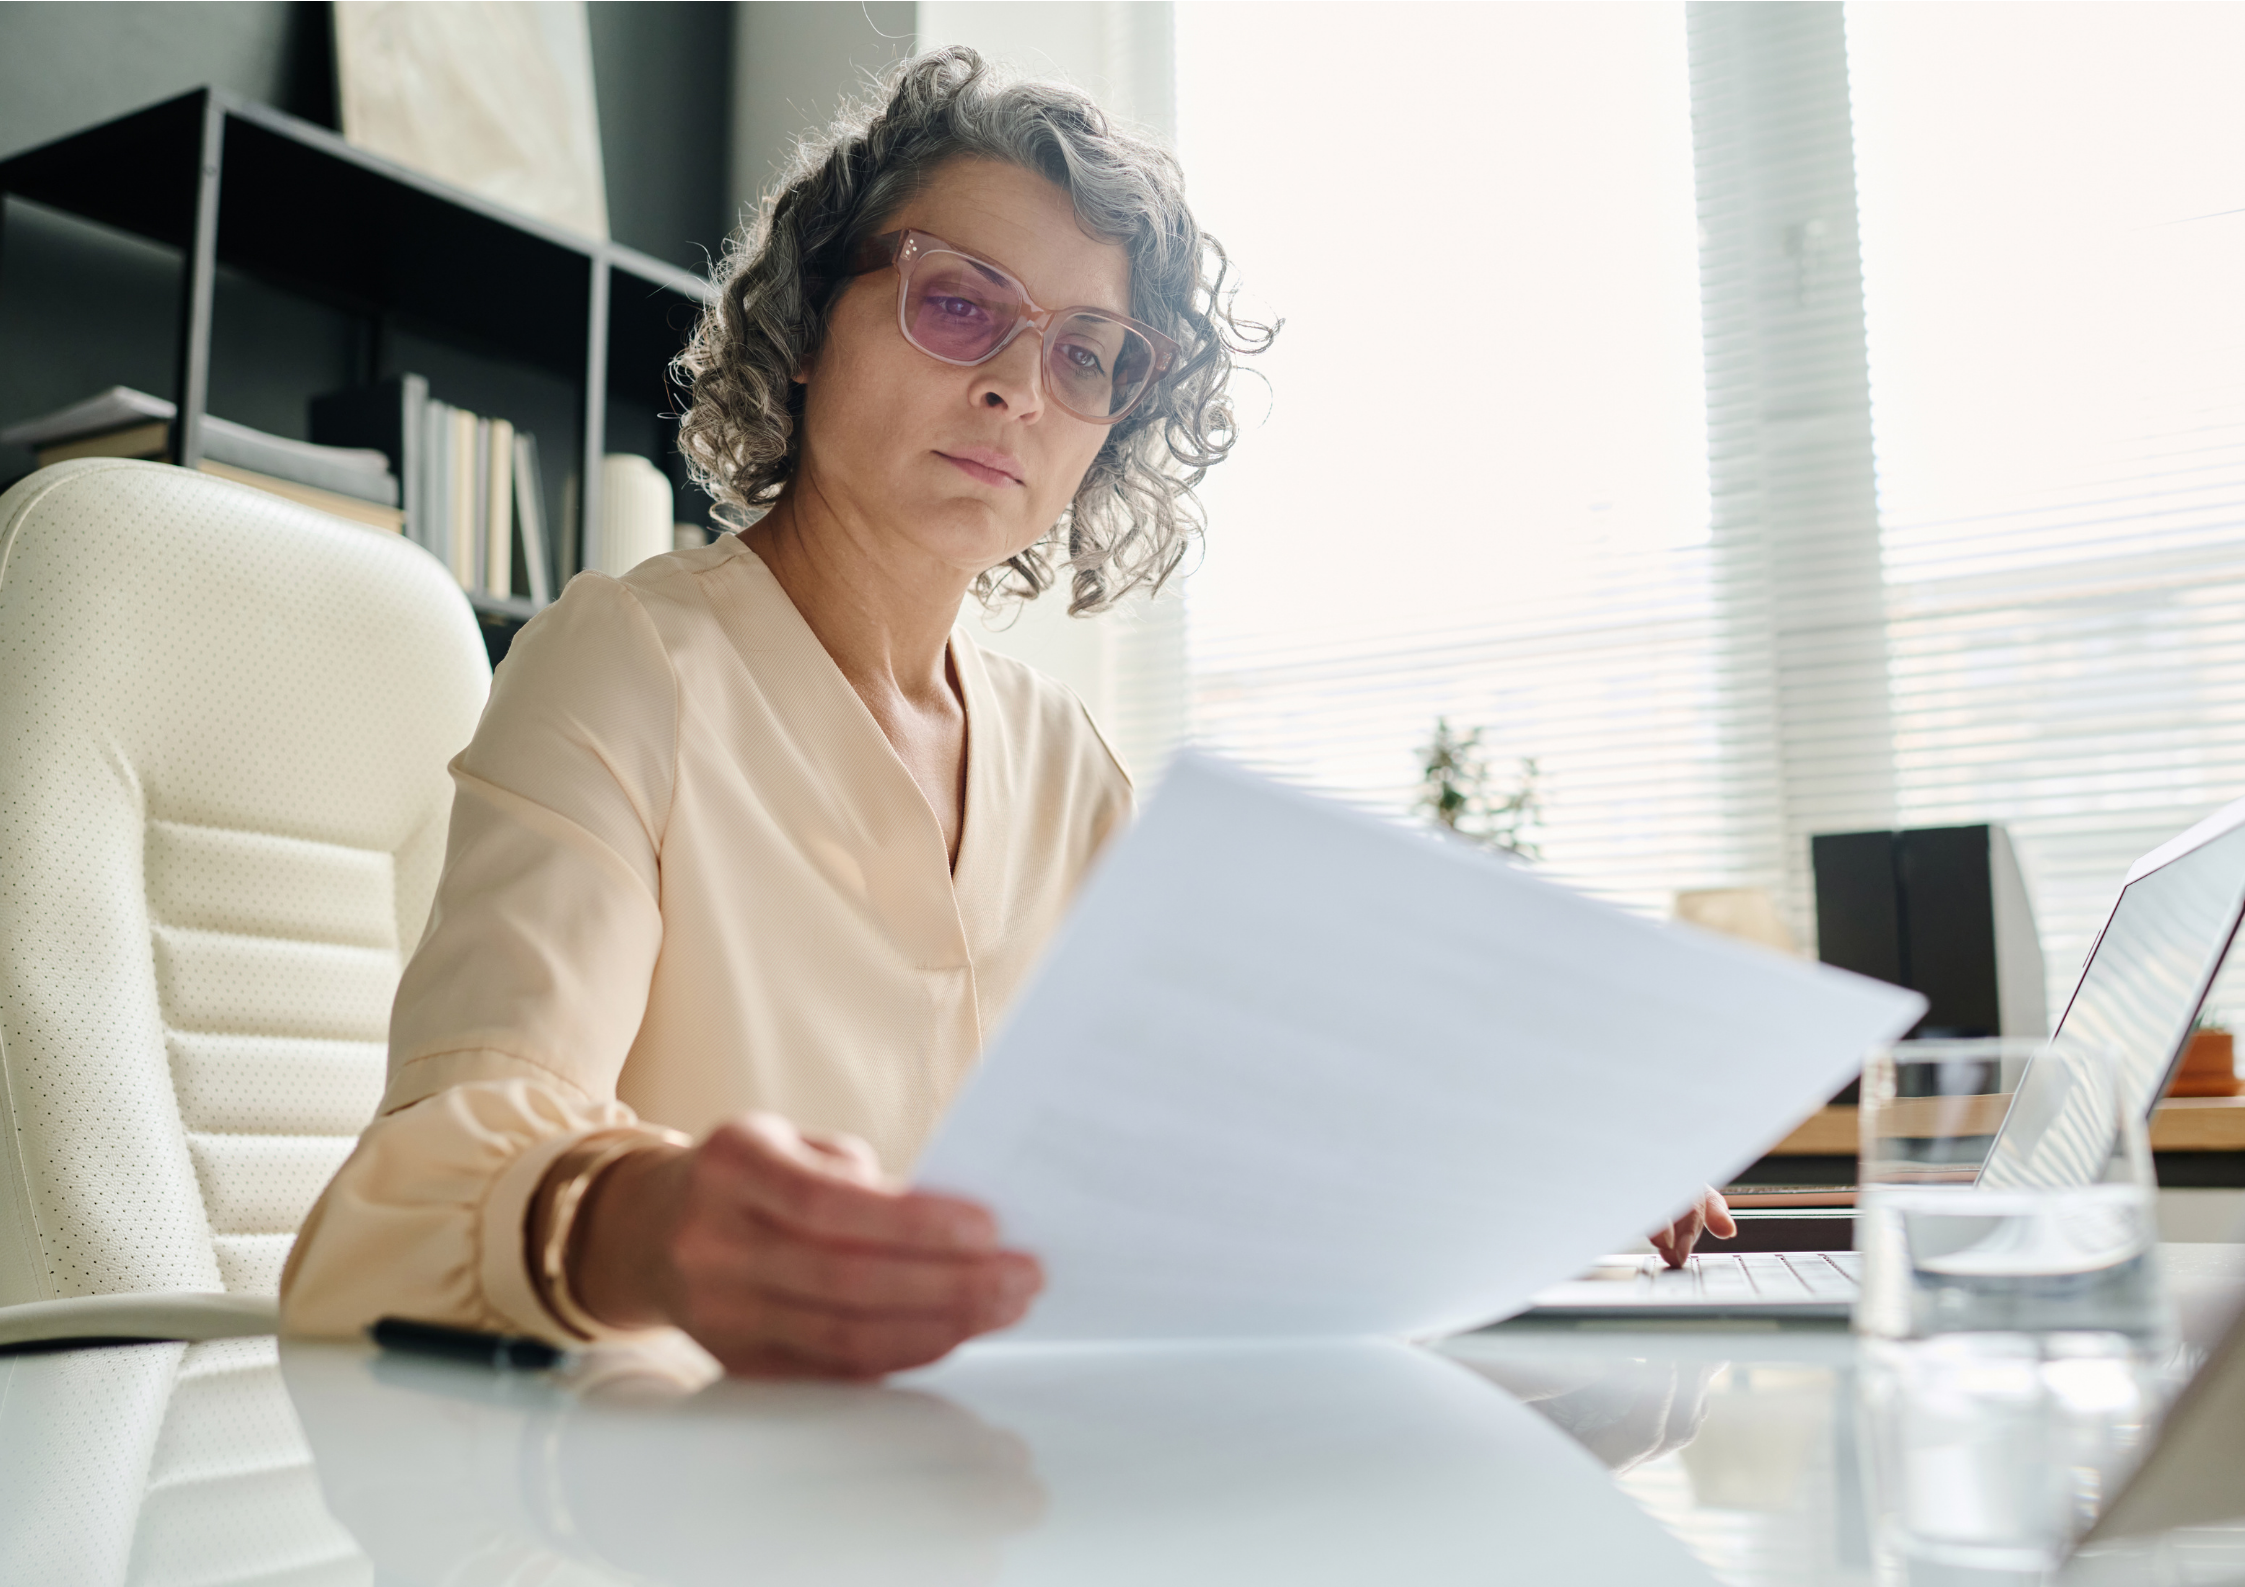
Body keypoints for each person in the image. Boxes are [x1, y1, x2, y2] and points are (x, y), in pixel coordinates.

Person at [282, 48, 1726, 1378]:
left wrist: (1548, 1159)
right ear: (803, 328)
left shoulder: (1064, 762)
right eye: (958, 300)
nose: (1016, 386)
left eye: (1087, 352)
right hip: (677, 1491)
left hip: (1009, 1485)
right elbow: (405, 1199)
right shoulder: (629, 665)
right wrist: (649, 1221)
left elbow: (1225, 1141)